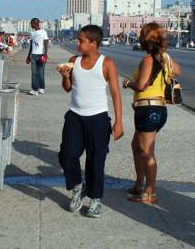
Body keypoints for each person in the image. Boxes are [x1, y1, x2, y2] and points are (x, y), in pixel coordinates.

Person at [57, 25, 124, 218]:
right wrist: (65, 76)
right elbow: (67, 88)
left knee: (96, 161)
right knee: (67, 155)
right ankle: (78, 186)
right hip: (75, 116)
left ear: (93, 43)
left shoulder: (107, 63)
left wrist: (119, 121)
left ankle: (95, 199)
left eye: (81, 41)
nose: (77, 44)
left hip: (98, 119)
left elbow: (115, 93)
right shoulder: (73, 61)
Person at [122, 23, 181, 204]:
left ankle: (149, 192)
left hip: (148, 109)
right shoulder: (164, 57)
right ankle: (140, 184)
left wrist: (128, 83)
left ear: (145, 38)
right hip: (157, 109)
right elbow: (177, 71)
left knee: (147, 151)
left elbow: (142, 85)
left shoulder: (149, 60)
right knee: (136, 146)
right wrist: (166, 56)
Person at [26, 18, 49, 95]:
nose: (31, 25)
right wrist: (28, 56)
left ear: (35, 23)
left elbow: (46, 43)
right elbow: (31, 45)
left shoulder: (43, 32)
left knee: (41, 73)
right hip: (33, 55)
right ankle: (34, 89)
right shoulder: (32, 33)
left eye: (31, 24)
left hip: (41, 55)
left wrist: (45, 54)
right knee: (34, 73)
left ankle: (41, 87)